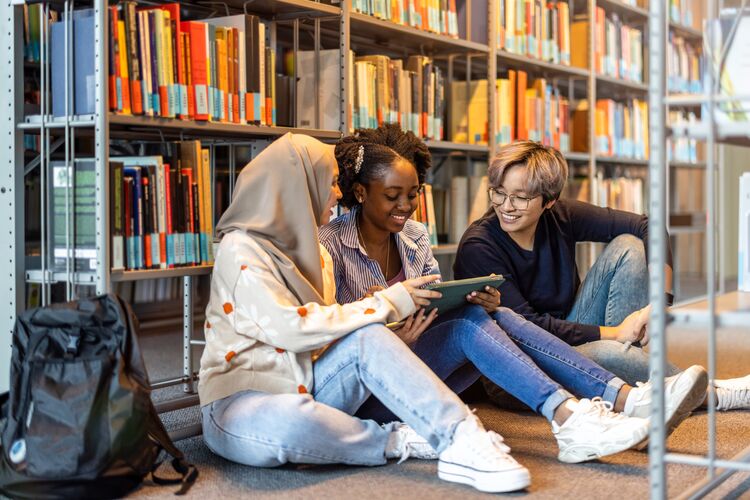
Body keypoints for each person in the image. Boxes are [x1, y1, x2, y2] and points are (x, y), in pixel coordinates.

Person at [319, 124, 708, 464]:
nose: (406, 206)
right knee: (597, 348)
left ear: (549, 200)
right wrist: (383, 332)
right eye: (392, 196)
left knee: (496, 314)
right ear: (360, 192)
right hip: (372, 379)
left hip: (429, 359)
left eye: (413, 193)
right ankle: (652, 397)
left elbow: (439, 305)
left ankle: (604, 406)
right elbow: (324, 338)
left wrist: (474, 303)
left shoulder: (416, 238)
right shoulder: (330, 245)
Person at [199, 132, 536, 494]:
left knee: (369, 336)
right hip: (246, 397)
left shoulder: (317, 252)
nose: (338, 193)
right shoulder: (240, 248)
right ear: (299, 186)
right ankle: (397, 438)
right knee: (288, 427)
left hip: (310, 384)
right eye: (330, 183)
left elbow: (331, 336)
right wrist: (388, 302)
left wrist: (386, 329)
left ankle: (461, 436)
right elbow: (291, 328)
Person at [453, 140, 750, 411]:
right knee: (610, 355)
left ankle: (627, 379)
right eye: (499, 193)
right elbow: (528, 327)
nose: (506, 207)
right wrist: (612, 333)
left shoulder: (561, 217)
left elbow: (650, 227)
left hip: (571, 333)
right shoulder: (479, 246)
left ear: (549, 201)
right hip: (519, 366)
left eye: (520, 198)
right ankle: (714, 394)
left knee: (630, 247)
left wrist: (661, 302)